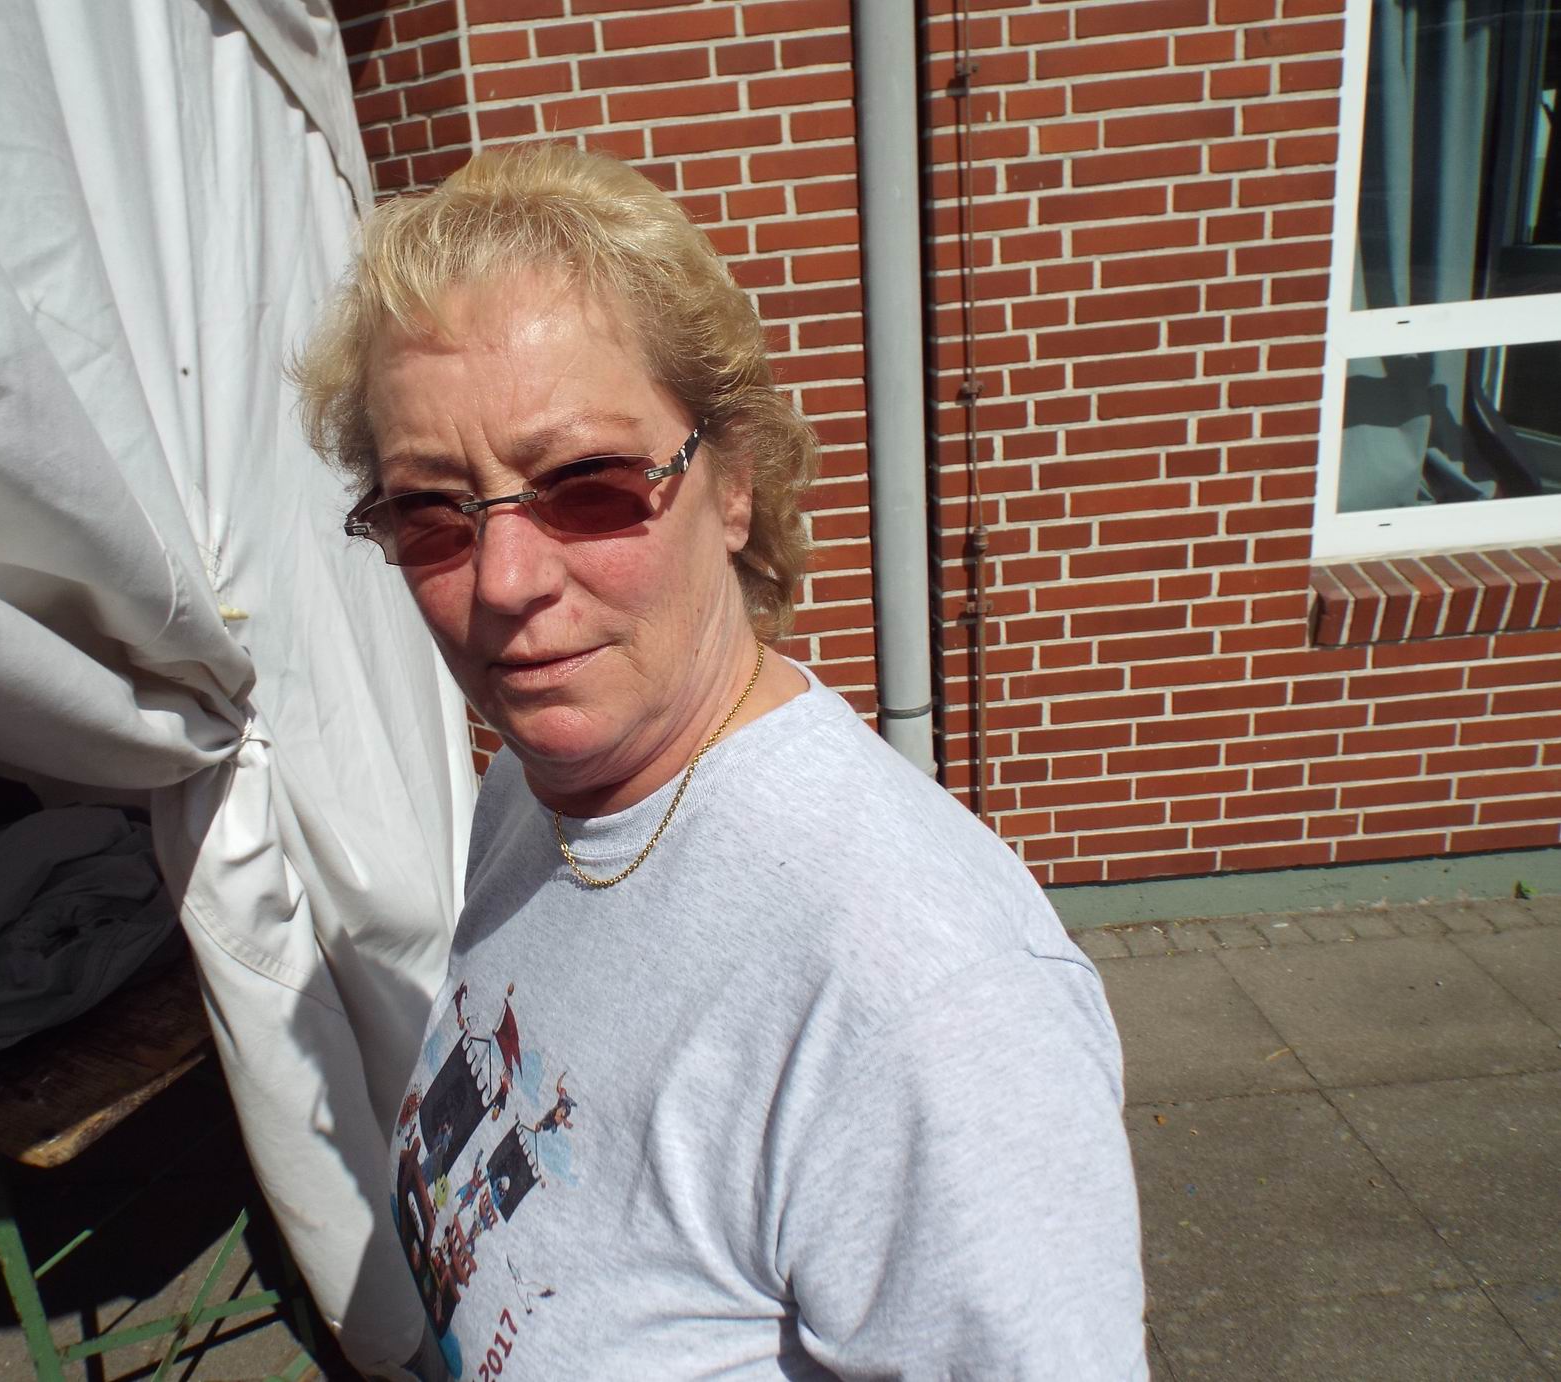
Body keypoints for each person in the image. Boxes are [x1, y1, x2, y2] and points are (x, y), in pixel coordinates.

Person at [295, 143, 1146, 1380]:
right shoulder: (535, 787)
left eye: (585, 483)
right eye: (431, 509)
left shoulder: (927, 998)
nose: (505, 580)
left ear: (733, 485)